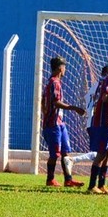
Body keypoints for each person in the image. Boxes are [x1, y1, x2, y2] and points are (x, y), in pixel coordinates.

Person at [41, 56, 86, 187]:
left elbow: (44, 102)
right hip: (52, 124)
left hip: (60, 123)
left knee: (65, 152)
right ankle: (50, 179)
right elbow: (55, 102)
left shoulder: (55, 82)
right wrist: (74, 108)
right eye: (64, 66)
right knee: (55, 154)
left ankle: (68, 179)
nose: (65, 69)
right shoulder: (54, 82)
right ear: (60, 68)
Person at [86, 56, 108, 194]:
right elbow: (105, 97)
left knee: (106, 153)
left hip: (104, 120)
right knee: (101, 154)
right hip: (101, 122)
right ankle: (91, 186)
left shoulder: (105, 78)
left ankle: (101, 184)